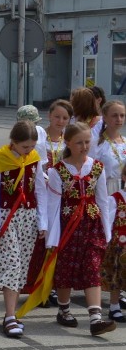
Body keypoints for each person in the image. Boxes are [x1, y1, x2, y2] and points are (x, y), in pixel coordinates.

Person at [44, 123, 115, 336]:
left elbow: (103, 201)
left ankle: (95, 318)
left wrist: (107, 231)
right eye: (79, 142)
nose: (84, 146)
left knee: (92, 267)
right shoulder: (57, 171)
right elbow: (53, 206)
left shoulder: (97, 167)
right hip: (69, 227)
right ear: (68, 143)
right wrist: (52, 237)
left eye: (87, 141)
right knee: (66, 268)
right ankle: (64, 309)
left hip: (92, 225)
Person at [0, 120, 47, 338]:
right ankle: (10, 315)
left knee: (22, 265)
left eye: (31, 147)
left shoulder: (34, 159)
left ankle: (11, 315)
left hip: (28, 217)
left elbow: (40, 190)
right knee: (11, 262)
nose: (28, 151)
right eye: (24, 147)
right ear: (13, 142)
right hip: (6, 217)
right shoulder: (0, 158)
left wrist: (43, 222)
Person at [102, 163, 126, 323]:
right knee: (116, 278)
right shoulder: (115, 199)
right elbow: (108, 221)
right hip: (119, 247)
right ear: (124, 178)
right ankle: (114, 306)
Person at [90, 100, 126, 194]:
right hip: (107, 190)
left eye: (122, 115)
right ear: (104, 117)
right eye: (114, 115)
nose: (119, 119)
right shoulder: (96, 144)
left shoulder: (125, 141)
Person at [36, 100, 72, 172]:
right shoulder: (39, 136)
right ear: (49, 116)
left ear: (69, 120)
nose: (60, 121)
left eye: (65, 118)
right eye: (57, 117)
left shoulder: (70, 139)